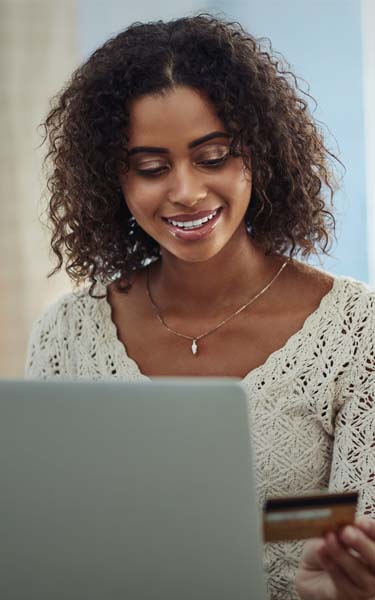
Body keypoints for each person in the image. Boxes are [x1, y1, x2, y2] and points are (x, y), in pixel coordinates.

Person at [26, 14, 375, 600]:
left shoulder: (356, 329)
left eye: (213, 157)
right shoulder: (67, 333)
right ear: (113, 180)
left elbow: (355, 545)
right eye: (151, 168)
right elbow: (46, 544)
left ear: (260, 155)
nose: (186, 191)